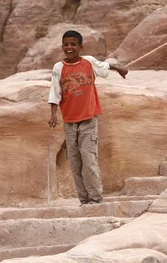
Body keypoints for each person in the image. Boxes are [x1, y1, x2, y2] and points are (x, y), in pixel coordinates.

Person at [48, 30, 128, 205]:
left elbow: (104, 67)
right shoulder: (58, 68)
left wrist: (120, 69)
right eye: (66, 44)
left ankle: (95, 198)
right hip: (69, 122)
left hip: (88, 119)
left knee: (89, 158)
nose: (69, 48)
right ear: (62, 46)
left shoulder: (89, 62)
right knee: (75, 162)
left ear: (80, 46)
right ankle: (83, 200)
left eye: (73, 44)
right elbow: (55, 92)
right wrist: (54, 114)